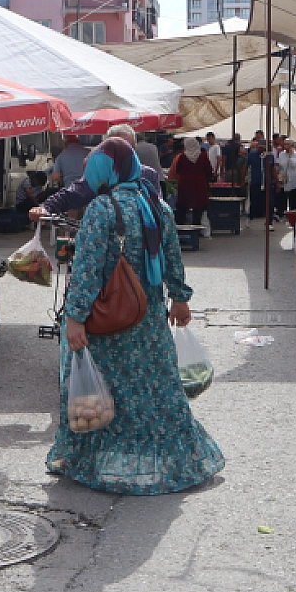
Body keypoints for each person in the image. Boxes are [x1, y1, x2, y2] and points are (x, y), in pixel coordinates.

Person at [46, 137, 223, 494]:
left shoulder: (102, 209)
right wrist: (180, 299)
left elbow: (87, 270)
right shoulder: (155, 204)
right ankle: (177, 460)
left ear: (106, 170)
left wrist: (75, 318)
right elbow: (174, 256)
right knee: (157, 392)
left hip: (109, 324)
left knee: (106, 394)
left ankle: (96, 460)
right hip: (149, 320)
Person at [32, 124, 160, 223]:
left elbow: (158, 209)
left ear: (135, 149)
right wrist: (45, 208)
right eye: (114, 150)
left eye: (126, 148)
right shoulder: (98, 177)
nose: (121, 155)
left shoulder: (148, 175)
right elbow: (72, 194)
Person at [169, 137, 213, 228]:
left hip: (185, 184)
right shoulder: (203, 156)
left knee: (182, 207)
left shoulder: (182, 157)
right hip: (199, 185)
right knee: (198, 208)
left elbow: (178, 170)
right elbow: (209, 171)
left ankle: (180, 227)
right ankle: (196, 227)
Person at [273, 136, 296, 223]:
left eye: (288, 144)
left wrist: (290, 156)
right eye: (285, 144)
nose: (285, 146)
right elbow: (281, 164)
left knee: (293, 198)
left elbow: (294, 164)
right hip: (284, 178)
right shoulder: (282, 154)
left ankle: (294, 214)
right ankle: (281, 213)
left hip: (293, 179)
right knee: (282, 197)